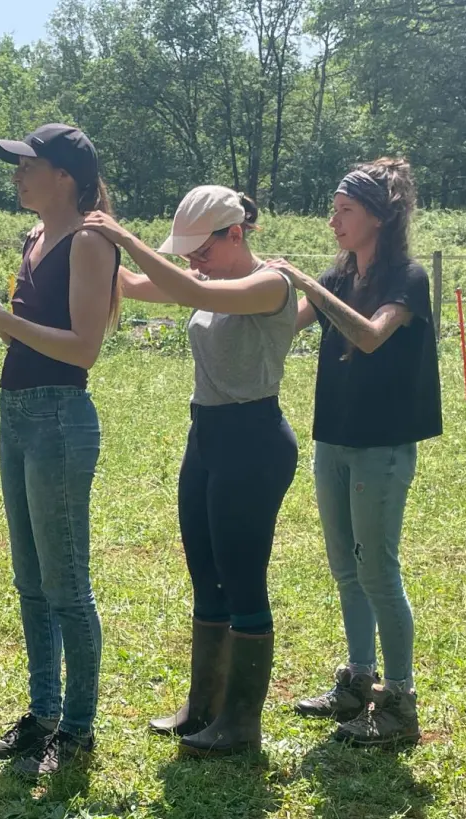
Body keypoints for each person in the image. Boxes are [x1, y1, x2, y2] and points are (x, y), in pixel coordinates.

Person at [83, 186, 297, 758]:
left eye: (199, 249)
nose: (191, 261)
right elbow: (135, 284)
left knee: (242, 577)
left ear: (236, 234)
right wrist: (97, 250)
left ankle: (241, 723)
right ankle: (204, 704)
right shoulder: (209, 281)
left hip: (253, 442)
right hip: (207, 437)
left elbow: (187, 289)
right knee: (206, 574)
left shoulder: (271, 284)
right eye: (185, 252)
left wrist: (126, 237)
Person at [265, 158, 442, 747]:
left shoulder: (407, 280)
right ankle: (358, 680)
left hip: (381, 449)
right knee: (346, 567)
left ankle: (398, 702)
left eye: (344, 210)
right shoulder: (335, 275)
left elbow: (368, 336)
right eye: (334, 209)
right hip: (333, 440)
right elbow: (283, 327)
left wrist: (307, 283)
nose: (333, 220)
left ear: (376, 217)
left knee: (377, 570)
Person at [0, 124, 120, 777]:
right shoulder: (35, 237)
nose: (17, 175)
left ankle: (77, 732)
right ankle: (44, 716)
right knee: (31, 583)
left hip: (58, 417)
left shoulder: (88, 241)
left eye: (28, 165)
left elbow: (82, 348)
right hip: (18, 413)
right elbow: (32, 341)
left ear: (64, 175)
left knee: (67, 586)